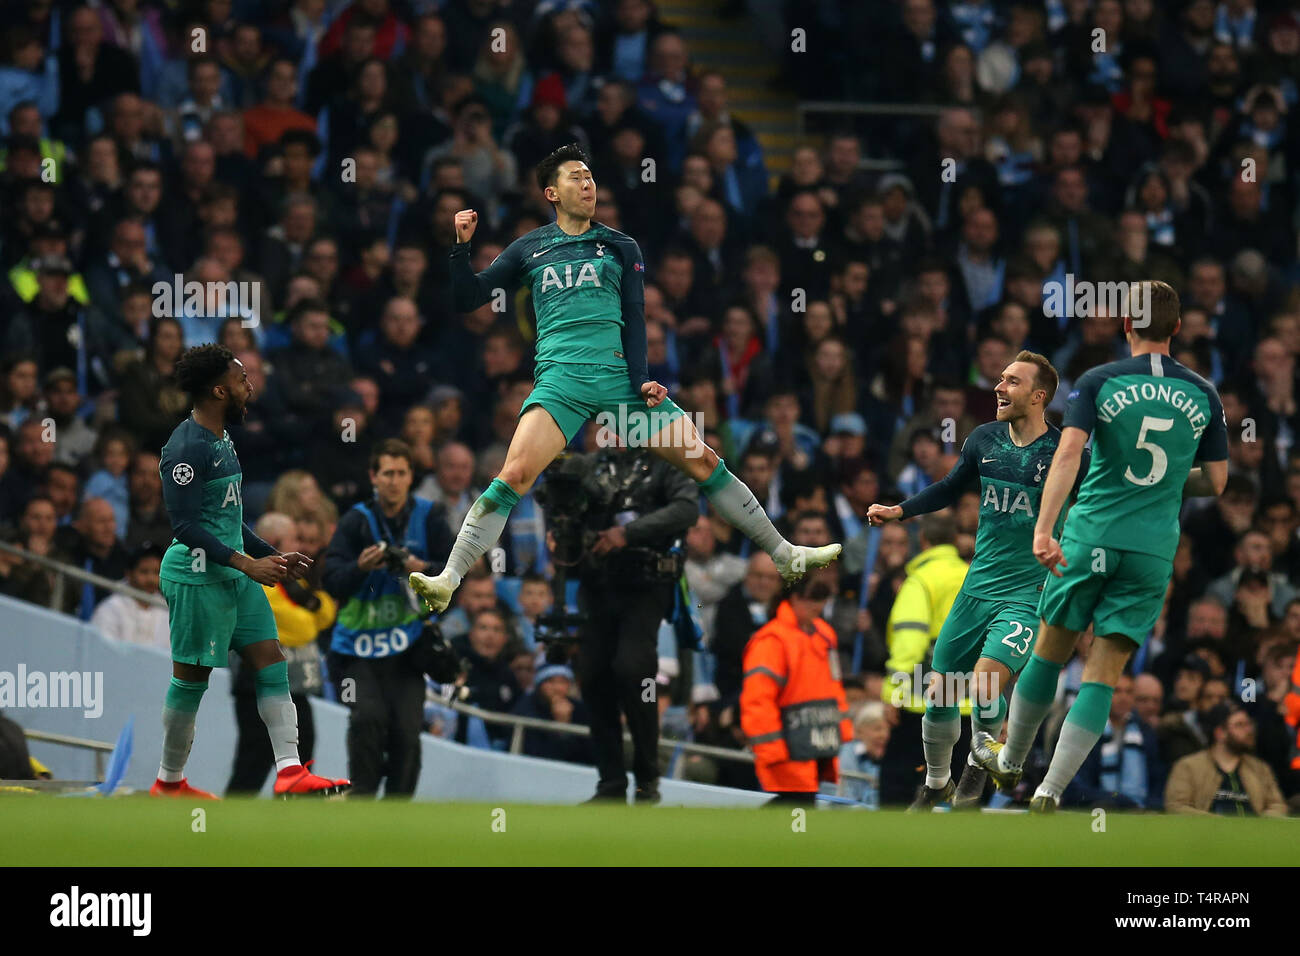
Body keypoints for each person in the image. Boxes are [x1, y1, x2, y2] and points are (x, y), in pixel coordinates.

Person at [408, 143, 840, 618]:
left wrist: (642, 380)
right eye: (576, 177)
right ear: (552, 192)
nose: (588, 183)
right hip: (561, 383)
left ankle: (785, 553)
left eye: (590, 175)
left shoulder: (620, 245)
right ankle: (449, 578)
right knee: (513, 475)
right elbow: (469, 297)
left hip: (618, 384)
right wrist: (460, 247)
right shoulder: (529, 247)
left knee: (703, 460)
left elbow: (635, 318)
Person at [972, 281, 1229, 811]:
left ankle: (1013, 759)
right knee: (1105, 672)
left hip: (1090, 535)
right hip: (1152, 549)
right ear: (1177, 328)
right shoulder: (1205, 393)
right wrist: (1168, 478)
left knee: (1050, 650)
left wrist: (1044, 530)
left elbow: (1066, 459)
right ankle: (1052, 789)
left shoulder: (1100, 381)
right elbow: (1218, 482)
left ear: (1127, 325)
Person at [868, 350, 1088, 810]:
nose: (998, 388)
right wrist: (899, 511)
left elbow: (1098, 504)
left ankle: (977, 766)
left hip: (1025, 596)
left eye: (1011, 381)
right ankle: (936, 782)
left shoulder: (1066, 454)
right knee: (940, 695)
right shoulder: (984, 440)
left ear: (1039, 396)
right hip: (975, 592)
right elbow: (950, 488)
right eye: (1000, 379)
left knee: (987, 684)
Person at [154, 344, 348, 799]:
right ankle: (168, 782)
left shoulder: (223, 438)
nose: (250, 386)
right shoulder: (185, 448)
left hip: (235, 575)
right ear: (219, 389)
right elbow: (184, 525)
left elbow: (228, 519)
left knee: (271, 661)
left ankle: (290, 771)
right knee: (191, 681)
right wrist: (246, 561)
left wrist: (274, 558)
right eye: (242, 380)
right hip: (196, 576)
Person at [568, 433, 699, 802]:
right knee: (593, 677)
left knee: (634, 669)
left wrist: (627, 533)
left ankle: (647, 778)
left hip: (646, 583)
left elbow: (688, 509)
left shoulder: (666, 462)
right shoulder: (590, 464)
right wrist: (564, 535)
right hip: (598, 584)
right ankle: (610, 783)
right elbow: (565, 505)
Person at [322, 439, 454, 798]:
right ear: (373, 477)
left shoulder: (431, 516)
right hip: (356, 649)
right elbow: (331, 579)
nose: (394, 481)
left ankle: (397, 807)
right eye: (386, 473)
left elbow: (458, 573)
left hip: (408, 649)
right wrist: (360, 567)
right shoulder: (356, 521)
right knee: (367, 718)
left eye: (400, 473)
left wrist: (422, 569)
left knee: (407, 732)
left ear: (411, 476)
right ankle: (362, 796)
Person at [227, 513, 335, 795]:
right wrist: (308, 609)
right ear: (272, 543)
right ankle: (224, 830)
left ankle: (289, 828)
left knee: (303, 758)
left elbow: (327, 611)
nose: (303, 546)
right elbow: (302, 628)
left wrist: (308, 604)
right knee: (254, 760)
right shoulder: (252, 575)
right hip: (255, 684)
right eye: (294, 540)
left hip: (295, 685)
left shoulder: (291, 580)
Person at [741, 570, 853, 806]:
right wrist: (772, 750)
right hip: (788, 745)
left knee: (800, 803)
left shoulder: (825, 635)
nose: (818, 606)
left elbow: (834, 686)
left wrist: (842, 730)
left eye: (823, 599)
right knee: (796, 804)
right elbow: (757, 700)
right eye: (813, 598)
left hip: (819, 741)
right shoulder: (772, 640)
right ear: (794, 597)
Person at [1164, 702, 1288, 816]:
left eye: (1249, 724)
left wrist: (1262, 823)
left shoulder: (1260, 769)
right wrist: (1217, 824)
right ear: (1220, 733)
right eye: (1240, 725)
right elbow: (1177, 807)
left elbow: (1277, 805)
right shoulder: (1188, 767)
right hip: (1205, 837)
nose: (1249, 730)